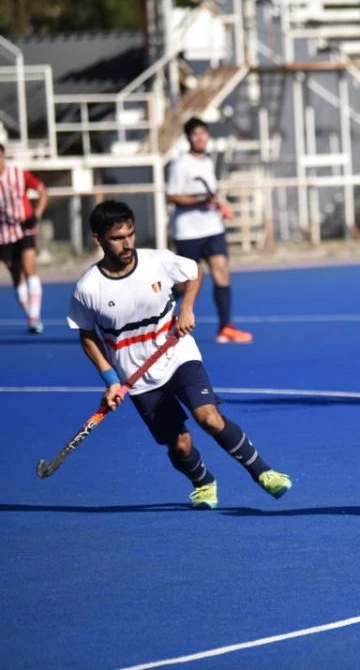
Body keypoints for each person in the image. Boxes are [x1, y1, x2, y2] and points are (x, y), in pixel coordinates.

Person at [66, 200, 291, 509]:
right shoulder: (88, 289)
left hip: (176, 353)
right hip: (138, 377)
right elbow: (87, 334)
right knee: (180, 444)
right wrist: (110, 379)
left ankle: (263, 472)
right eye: (118, 238)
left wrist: (186, 306)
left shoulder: (157, 261)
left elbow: (194, 270)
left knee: (208, 418)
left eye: (130, 234)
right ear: (98, 239)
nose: (127, 243)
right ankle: (202, 482)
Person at [165, 117, 253, 344]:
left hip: (212, 229)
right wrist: (200, 200)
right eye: (196, 134)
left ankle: (225, 327)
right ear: (188, 138)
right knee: (185, 283)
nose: (200, 138)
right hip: (188, 232)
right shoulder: (180, 164)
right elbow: (173, 196)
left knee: (221, 271)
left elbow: (209, 196)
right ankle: (153, 315)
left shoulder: (208, 162)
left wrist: (215, 205)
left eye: (204, 133)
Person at [0, 142, 48, 333]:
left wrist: (36, 215)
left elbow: (43, 191)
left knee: (29, 269)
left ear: (3, 156)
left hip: (25, 228)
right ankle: (30, 313)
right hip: (3, 234)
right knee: (16, 276)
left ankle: (34, 318)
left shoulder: (19, 174)